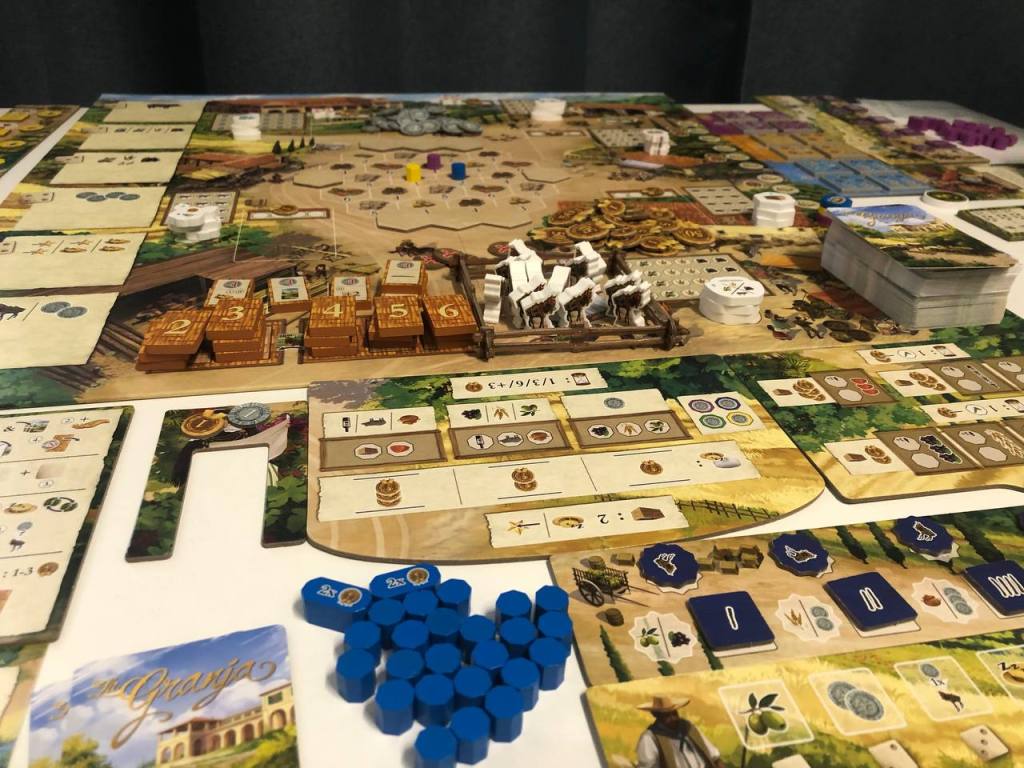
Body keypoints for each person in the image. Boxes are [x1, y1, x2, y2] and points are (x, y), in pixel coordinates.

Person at [635, 695, 725, 768]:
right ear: (657, 715)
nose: (673, 718)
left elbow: (713, 755)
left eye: (674, 713)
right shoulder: (649, 738)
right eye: (667, 715)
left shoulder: (688, 727)